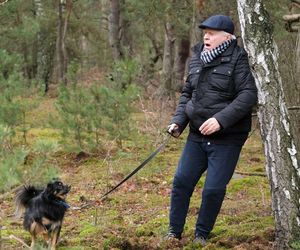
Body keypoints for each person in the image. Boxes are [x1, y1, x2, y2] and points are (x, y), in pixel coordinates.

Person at [165, 15, 257, 245]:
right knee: (181, 182)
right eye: (205, 32)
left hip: (227, 138)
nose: (206, 36)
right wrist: (179, 122)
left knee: (213, 190)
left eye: (212, 33)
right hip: (196, 135)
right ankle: (173, 234)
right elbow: (188, 93)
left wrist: (220, 120)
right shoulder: (197, 59)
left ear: (227, 37)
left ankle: (201, 235)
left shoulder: (238, 58)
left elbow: (248, 95)